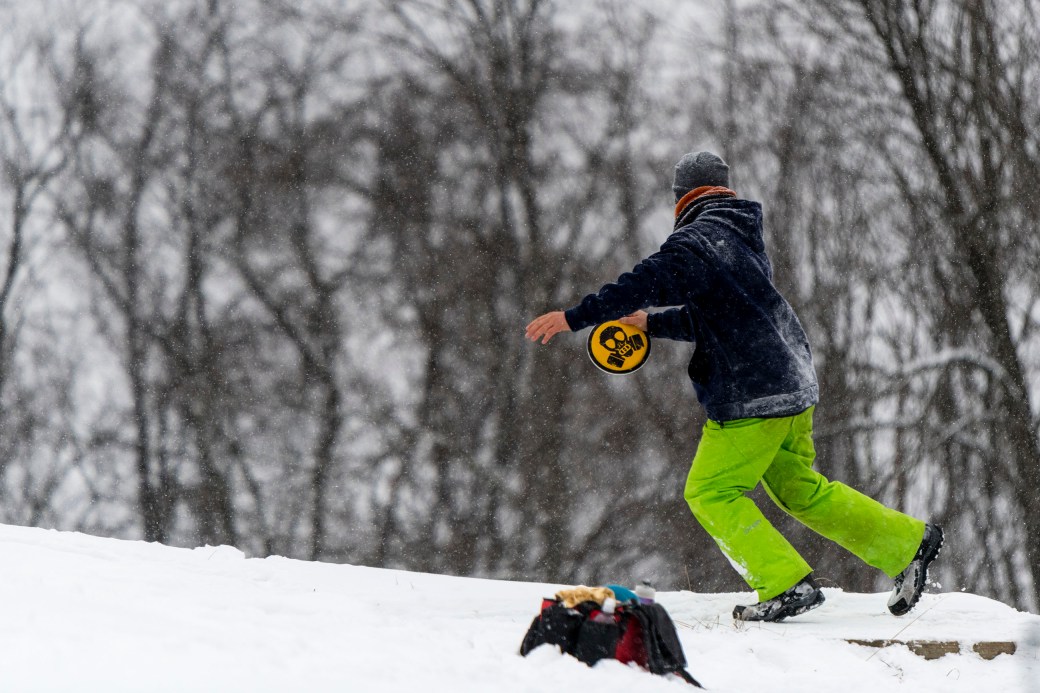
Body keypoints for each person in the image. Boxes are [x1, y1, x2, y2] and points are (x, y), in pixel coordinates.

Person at [524, 151, 943, 622]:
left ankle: (785, 583)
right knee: (801, 489)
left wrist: (574, 317)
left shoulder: (697, 242)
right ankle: (909, 543)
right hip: (792, 378)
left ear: (681, 199)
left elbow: (643, 280)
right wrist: (651, 324)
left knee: (709, 492)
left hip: (753, 392)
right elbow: (719, 318)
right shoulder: (739, 236)